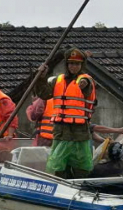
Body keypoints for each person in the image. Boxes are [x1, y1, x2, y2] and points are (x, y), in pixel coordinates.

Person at [35, 48, 96, 179]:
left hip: (79, 130)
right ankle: (62, 181)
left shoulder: (86, 79)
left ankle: (80, 183)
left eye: (77, 64)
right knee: (59, 163)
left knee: (80, 162)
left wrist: (84, 84)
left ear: (82, 65)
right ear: (67, 65)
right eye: (71, 63)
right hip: (61, 129)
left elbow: (87, 87)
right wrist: (40, 77)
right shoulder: (58, 80)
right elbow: (44, 94)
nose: (74, 67)